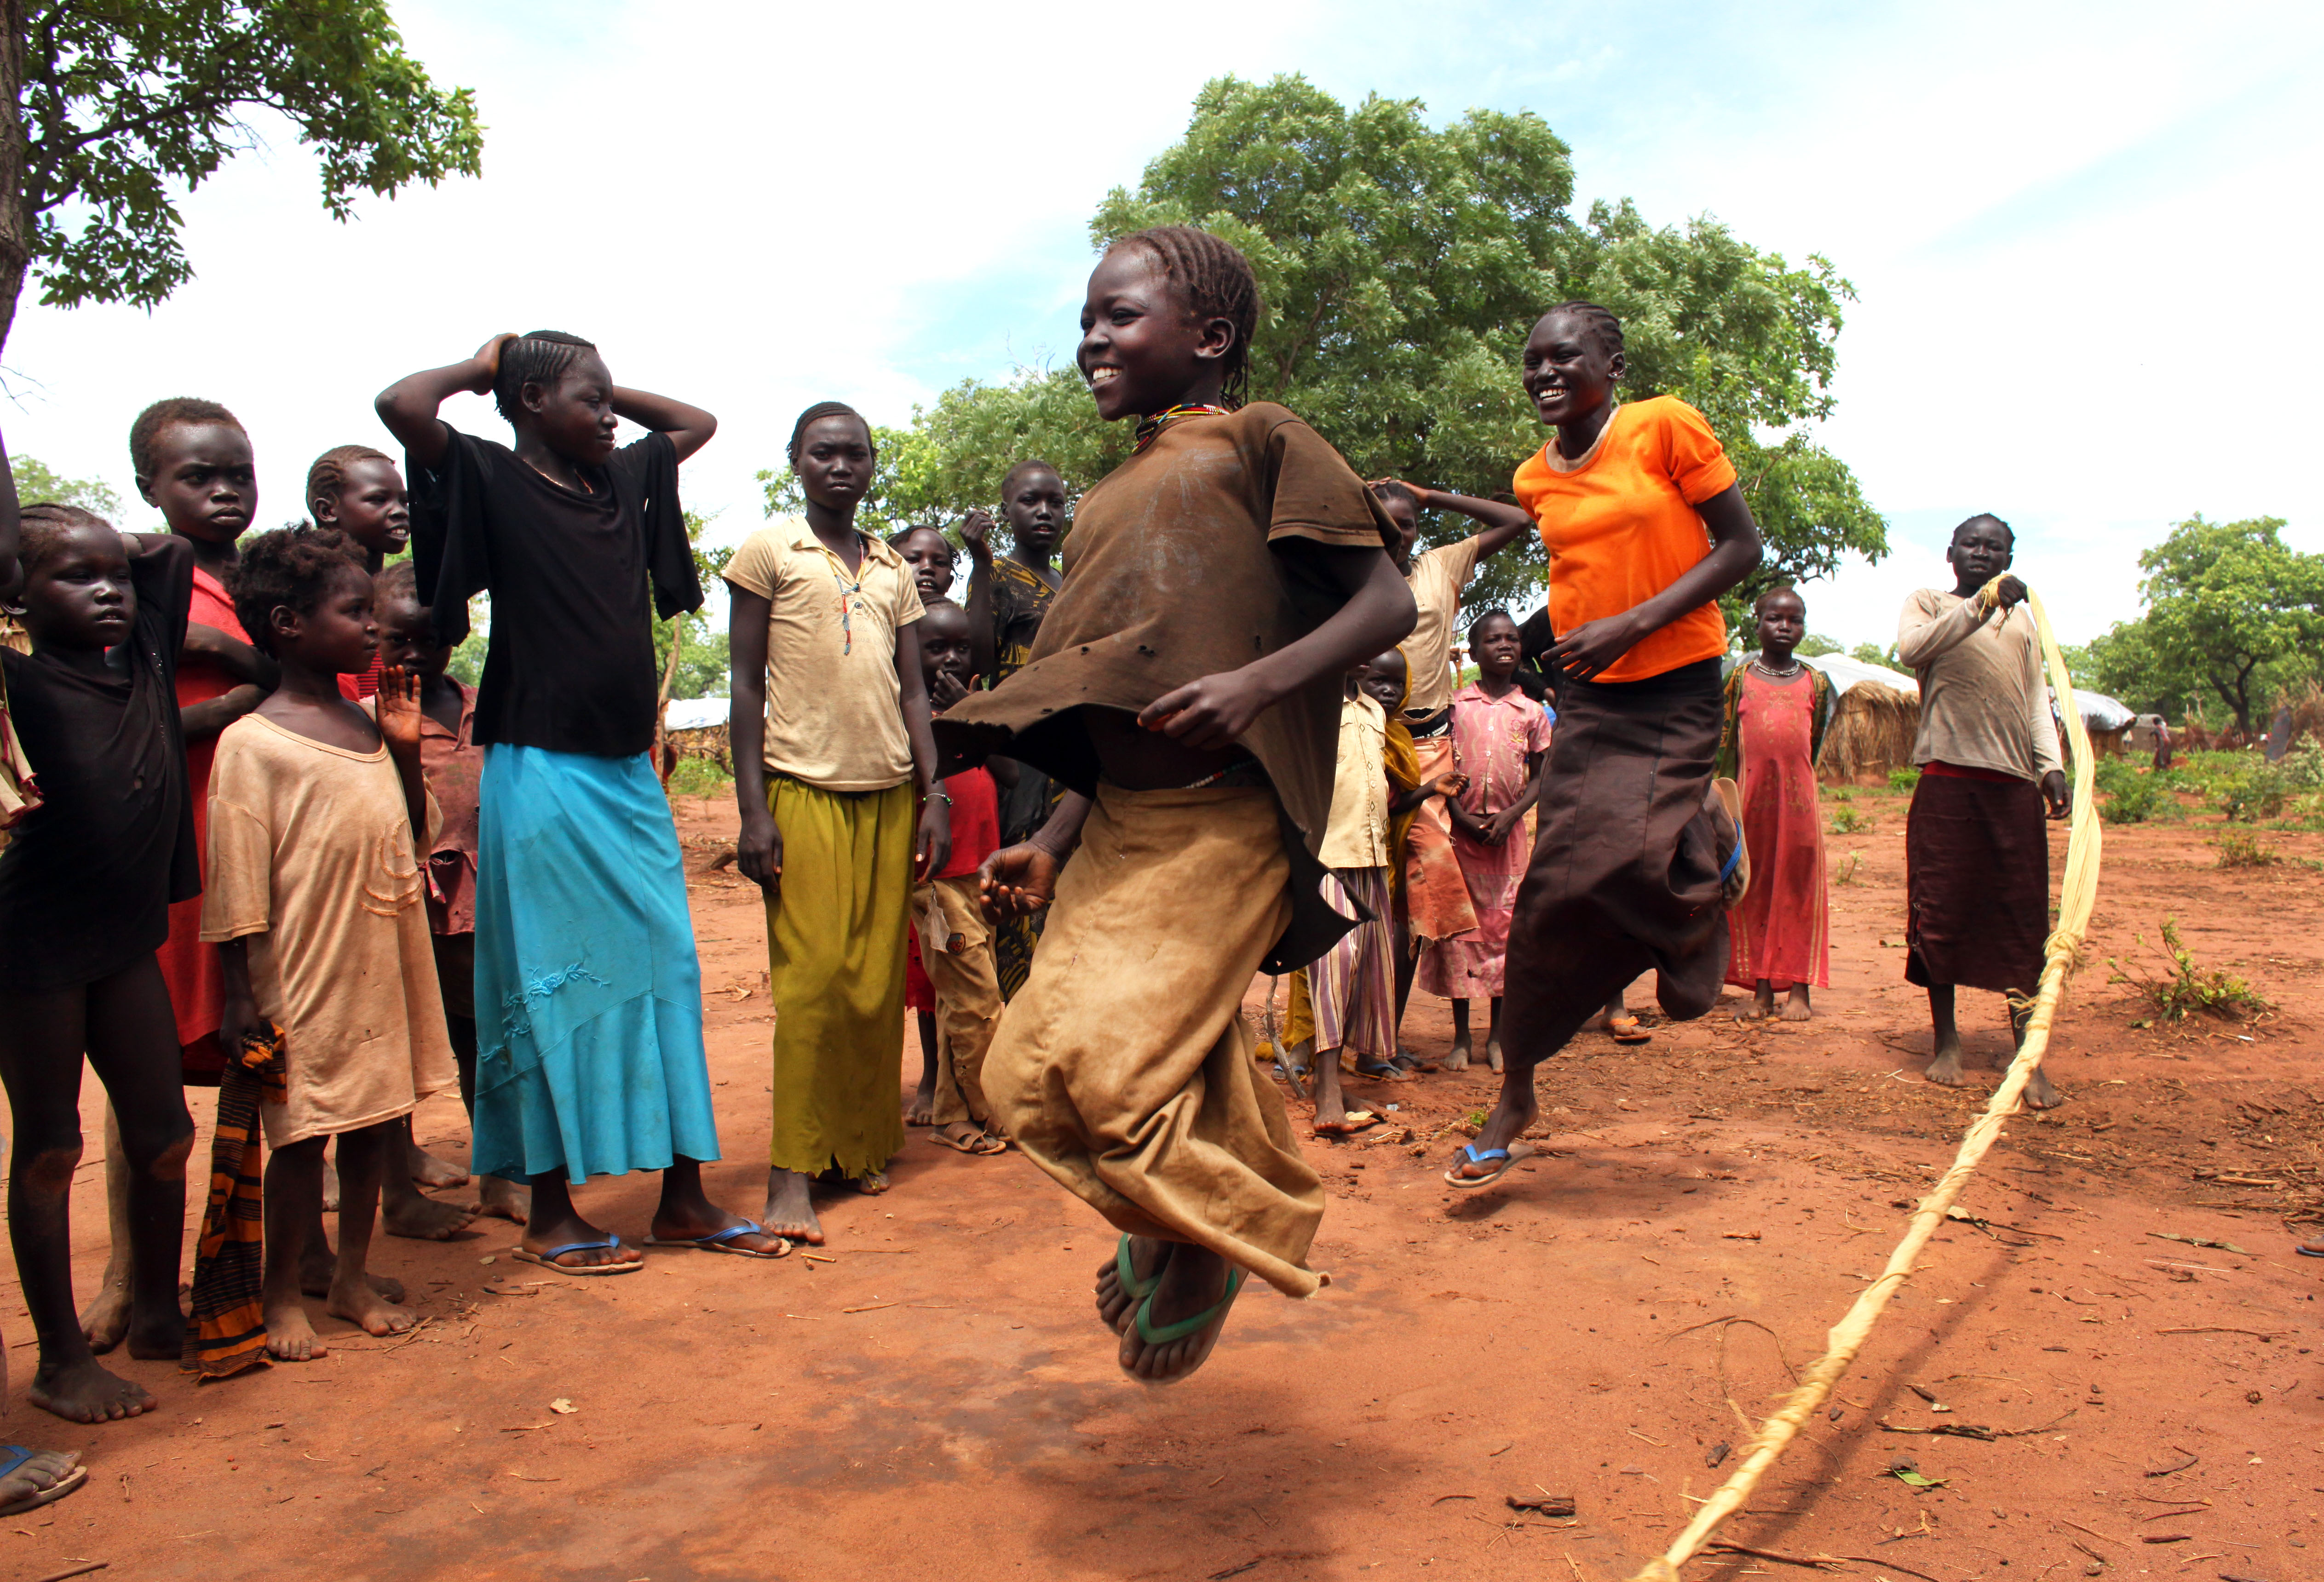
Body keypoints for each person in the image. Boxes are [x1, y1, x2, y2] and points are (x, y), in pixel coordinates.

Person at [939, 226, 1416, 1383]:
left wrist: (1260, 683)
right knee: (1016, 1076)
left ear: (1208, 337)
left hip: (1223, 818)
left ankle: (1212, 1240)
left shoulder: (1261, 440)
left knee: (1116, 1077)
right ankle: (1167, 1219)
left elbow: (1386, 600)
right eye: (1087, 320)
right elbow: (1103, 682)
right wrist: (1052, 836)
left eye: (1119, 316)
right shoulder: (1108, 497)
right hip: (1118, 831)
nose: (1091, 338)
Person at [378, 330, 781, 1272]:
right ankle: (552, 1210)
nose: (607, 416)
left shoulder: (626, 479)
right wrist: (489, 370)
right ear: (526, 403)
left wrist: (597, 392)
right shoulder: (488, 473)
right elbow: (403, 407)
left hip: (626, 774)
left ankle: (683, 1196)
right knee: (550, 985)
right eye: (585, 400)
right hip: (540, 769)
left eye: (608, 402)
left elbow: (696, 422)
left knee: (669, 972)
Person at [1439, 301, 1760, 1186]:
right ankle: (1516, 1093)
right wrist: (1574, 642)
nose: (1543, 373)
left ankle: (1703, 867)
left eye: (1564, 357)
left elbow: (1740, 547)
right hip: (1592, 692)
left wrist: (1635, 622)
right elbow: (1575, 570)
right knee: (1550, 893)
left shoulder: (1664, 427)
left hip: (1675, 677)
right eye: (1531, 361)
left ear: (1611, 363)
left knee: (1632, 857)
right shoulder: (1535, 476)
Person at [200, 528, 459, 1358]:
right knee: (300, 1140)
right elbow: (236, 880)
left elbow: (413, 841)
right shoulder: (255, 743)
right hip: (302, 972)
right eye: (354, 614)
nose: (372, 629)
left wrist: (407, 742)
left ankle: (349, 1278)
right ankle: (283, 1297)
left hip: (380, 959)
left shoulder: (369, 725)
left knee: (376, 1127)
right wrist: (242, 995)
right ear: (287, 624)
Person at [726, 402, 948, 1246]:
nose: (841, 467)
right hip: (801, 790)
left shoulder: (892, 567)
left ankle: (856, 1146)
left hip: (890, 794)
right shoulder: (770, 553)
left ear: (871, 464)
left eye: (855, 454)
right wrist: (753, 811)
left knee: (870, 986)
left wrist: (933, 796)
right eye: (823, 453)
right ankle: (792, 1172)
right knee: (813, 983)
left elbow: (914, 693)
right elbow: (746, 687)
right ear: (797, 463)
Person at [0, 494, 200, 1423]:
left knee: (163, 1134)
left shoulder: (148, 655)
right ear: (17, 593)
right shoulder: (13, 684)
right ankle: (61, 1359)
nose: (109, 591)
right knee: (49, 1150)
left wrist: (115, 552)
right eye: (76, 577)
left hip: (123, 940)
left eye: (114, 574)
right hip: (32, 947)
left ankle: (159, 1312)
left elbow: (165, 554)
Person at [1895, 514, 2068, 1108]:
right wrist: (1980, 605)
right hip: (1945, 784)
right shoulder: (1928, 604)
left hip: (2011, 789)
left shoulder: (2023, 621)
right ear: (1951, 553)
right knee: (1940, 911)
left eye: (1994, 548)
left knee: (2021, 924)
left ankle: (2027, 1057)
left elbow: (2035, 701)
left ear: (2009, 557)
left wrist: (2051, 767)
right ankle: (1947, 1042)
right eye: (1971, 543)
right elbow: (1912, 649)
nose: (1981, 552)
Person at [374, 561, 528, 1224]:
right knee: (393, 1050)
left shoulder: (481, 704)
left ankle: (499, 1172)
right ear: (373, 636)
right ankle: (395, 1182)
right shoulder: (365, 720)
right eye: (400, 639)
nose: (415, 653)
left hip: (480, 905)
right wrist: (401, 748)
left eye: (431, 637)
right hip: (400, 906)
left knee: (483, 1039)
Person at [1368, 479, 1533, 1046]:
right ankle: (1345, 1030)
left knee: (1421, 901)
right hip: (1366, 740)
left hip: (1431, 745)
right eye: (1382, 524)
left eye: (1406, 524)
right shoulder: (1351, 573)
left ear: (1418, 528)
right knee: (1366, 888)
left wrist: (1431, 496)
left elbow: (1517, 519)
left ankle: (1384, 1035)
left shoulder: (1442, 565)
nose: (1394, 535)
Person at [1307, 661, 1461, 1133]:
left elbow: (1386, 795)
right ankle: (1326, 1089)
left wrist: (1433, 787)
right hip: (1328, 854)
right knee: (1335, 963)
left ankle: (1353, 1066)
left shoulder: (1373, 712)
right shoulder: (1313, 706)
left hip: (1372, 856)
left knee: (1368, 967)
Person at [1417, 609, 1552, 1072]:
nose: (1506, 645)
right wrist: (1458, 814)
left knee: (1503, 934)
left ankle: (1496, 1036)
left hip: (1508, 839)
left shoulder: (1532, 712)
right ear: (1473, 651)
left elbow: (1541, 775)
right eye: (1494, 639)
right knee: (1462, 933)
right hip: (1461, 837)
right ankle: (1459, 1037)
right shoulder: (1456, 707)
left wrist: (1513, 814)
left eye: (1513, 639)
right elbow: (1439, 768)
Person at [900, 599, 1008, 1154]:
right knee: (978, 1000)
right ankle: (998, 1112)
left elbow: (1011, 772)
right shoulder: (907, 719)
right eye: (934, 647)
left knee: (958, 1002)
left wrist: (973, 713)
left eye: (960, 647)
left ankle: (951, 1112)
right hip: (940, 882)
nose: (949, 658)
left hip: (980, 874)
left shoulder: (974, 703)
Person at [961, 460, 1070, 998]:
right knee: (1017, 887)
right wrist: (981, 565)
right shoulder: (998, 576)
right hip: (1019, 752)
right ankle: (1013, 1030)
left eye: (1055, 500)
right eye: (1030, 501)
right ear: (1006, 509)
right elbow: (977, 660)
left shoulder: (1072, 583)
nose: (1045, 511)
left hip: (1070, 751)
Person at [1720, 587, 1833, 1022]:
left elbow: (1814, 742)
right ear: (1757, 621)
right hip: (1751, 803)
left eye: (1795, 619)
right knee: (1757, 887)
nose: (1785, 627)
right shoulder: (1739, 678)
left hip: (1801, 805)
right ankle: (1762, 990)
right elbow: (1725, 744)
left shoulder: (1817, 683)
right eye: (1775, 618)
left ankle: (1800, 988)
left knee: (1800, 889)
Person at [305, 445, 410, 702]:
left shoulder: (402, 593)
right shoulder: (307, 598)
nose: (401, 511)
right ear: (328, 511)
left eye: (404, 501)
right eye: (378, 500)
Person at [890, 525, 957, 608]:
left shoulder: (955, 619)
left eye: (939, 563)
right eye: (913, 559)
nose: (928, 568)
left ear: (949, 583)